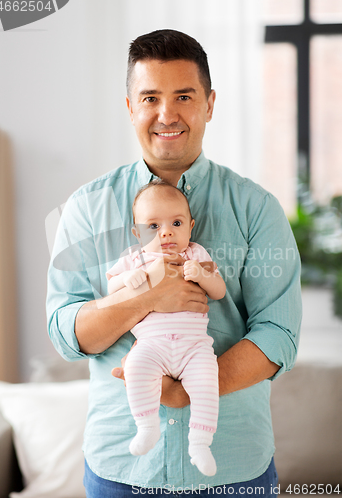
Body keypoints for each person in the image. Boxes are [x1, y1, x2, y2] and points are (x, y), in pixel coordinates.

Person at [46, 29, 302, 497]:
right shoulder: (86, 208)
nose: (167, 114)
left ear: (209, 104)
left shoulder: (257, 209)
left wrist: (192, 392)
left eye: (184, 95)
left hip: (234, 467)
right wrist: (144, 296)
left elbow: (279, 333)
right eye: (150, 97)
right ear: (129, 107)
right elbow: (65, 331)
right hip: (121, 469)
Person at [107, 179, 226, 476]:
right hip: (151, 345)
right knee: (134, 368)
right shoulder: (135, 259)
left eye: (176, 222)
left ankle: (200, 442)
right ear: (137, 233)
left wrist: (201, 274)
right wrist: (128, 280)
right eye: (153, 226)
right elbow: (110, 286)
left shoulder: (196, 254)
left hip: (194, 347)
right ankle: (147, 426)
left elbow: (220, 290)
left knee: (208, 383)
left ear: (190, 226)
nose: (166, 232)